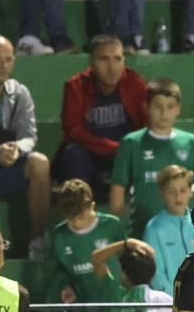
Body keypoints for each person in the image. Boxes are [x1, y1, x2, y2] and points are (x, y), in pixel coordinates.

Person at [108, 79, 194, 235]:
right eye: (158, 107)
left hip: (184, 233)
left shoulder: (192, 143)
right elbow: (117, 193)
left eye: (170, 107)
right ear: (146, 107)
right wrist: (117, 231)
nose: (164, 113)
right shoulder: (132, 143)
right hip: (142, 232)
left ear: (178, 109)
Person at [54, 34, 148, 194]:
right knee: (73, 153)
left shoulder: (134, 83)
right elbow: (73, 131)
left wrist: (128, 150)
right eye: (103, 59)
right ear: (91, 63)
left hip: (125, 158)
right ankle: (80, 212)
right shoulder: (76, 86)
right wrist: (113, 148)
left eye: (117, 59)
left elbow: (147, 125)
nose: (112, 67)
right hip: (90, 157)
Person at [0, 36, 52, 237]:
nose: (3, 65)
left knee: (39, 163)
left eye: (8, 59)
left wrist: (16, 149)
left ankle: (38, 240)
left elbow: (29, 136)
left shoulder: (20, 93)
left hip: (8, 166)